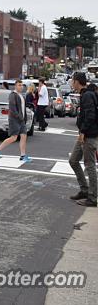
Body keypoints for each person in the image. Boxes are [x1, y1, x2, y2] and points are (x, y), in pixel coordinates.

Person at [68, 72, 98, 207]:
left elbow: (91, 115)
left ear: (77, 82)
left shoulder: (87, 95)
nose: (71, 83)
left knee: (89, 165)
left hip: (88, 135)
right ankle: (84, 190)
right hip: (84, 134)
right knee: (73, 160)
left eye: (72, 81)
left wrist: (83, 131)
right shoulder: (86, 94)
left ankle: (92, 198)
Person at [0, 79, 32, 163]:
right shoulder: (12, 95)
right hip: (14, 120)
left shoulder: (21, 95)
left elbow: (23, 109)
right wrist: (19, 117)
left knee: (24, 136)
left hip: (21, 120)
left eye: (22, 85)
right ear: (15, 86)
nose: (21, 87)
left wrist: (24, 118)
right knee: (13, 138)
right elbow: (13, 109)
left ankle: (23, 155)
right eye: (19, 85)